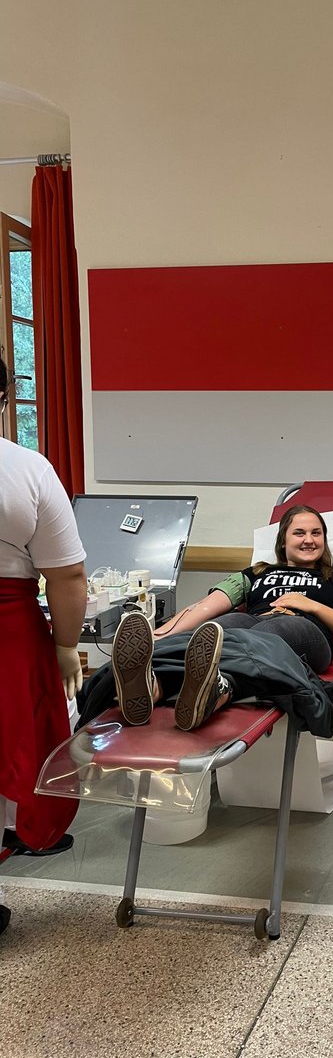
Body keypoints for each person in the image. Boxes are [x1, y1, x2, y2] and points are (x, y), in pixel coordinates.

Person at [107, 504, 333, 730]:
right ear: (282, 540)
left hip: (304, 631)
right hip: (253, 624)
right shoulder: (256, 573)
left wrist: (311, 606)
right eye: (299, 533)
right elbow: (206, 606)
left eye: (316, 533)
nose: (309, 540)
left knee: (266, 635)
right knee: (219, 627)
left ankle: (212, 687)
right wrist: (159, 637)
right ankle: (158, 688)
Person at [0, 355, 87, 934]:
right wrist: (64, 646)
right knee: (12, 744)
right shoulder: (26, 469)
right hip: (8, 629)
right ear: (5, 398)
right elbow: (68, 576)